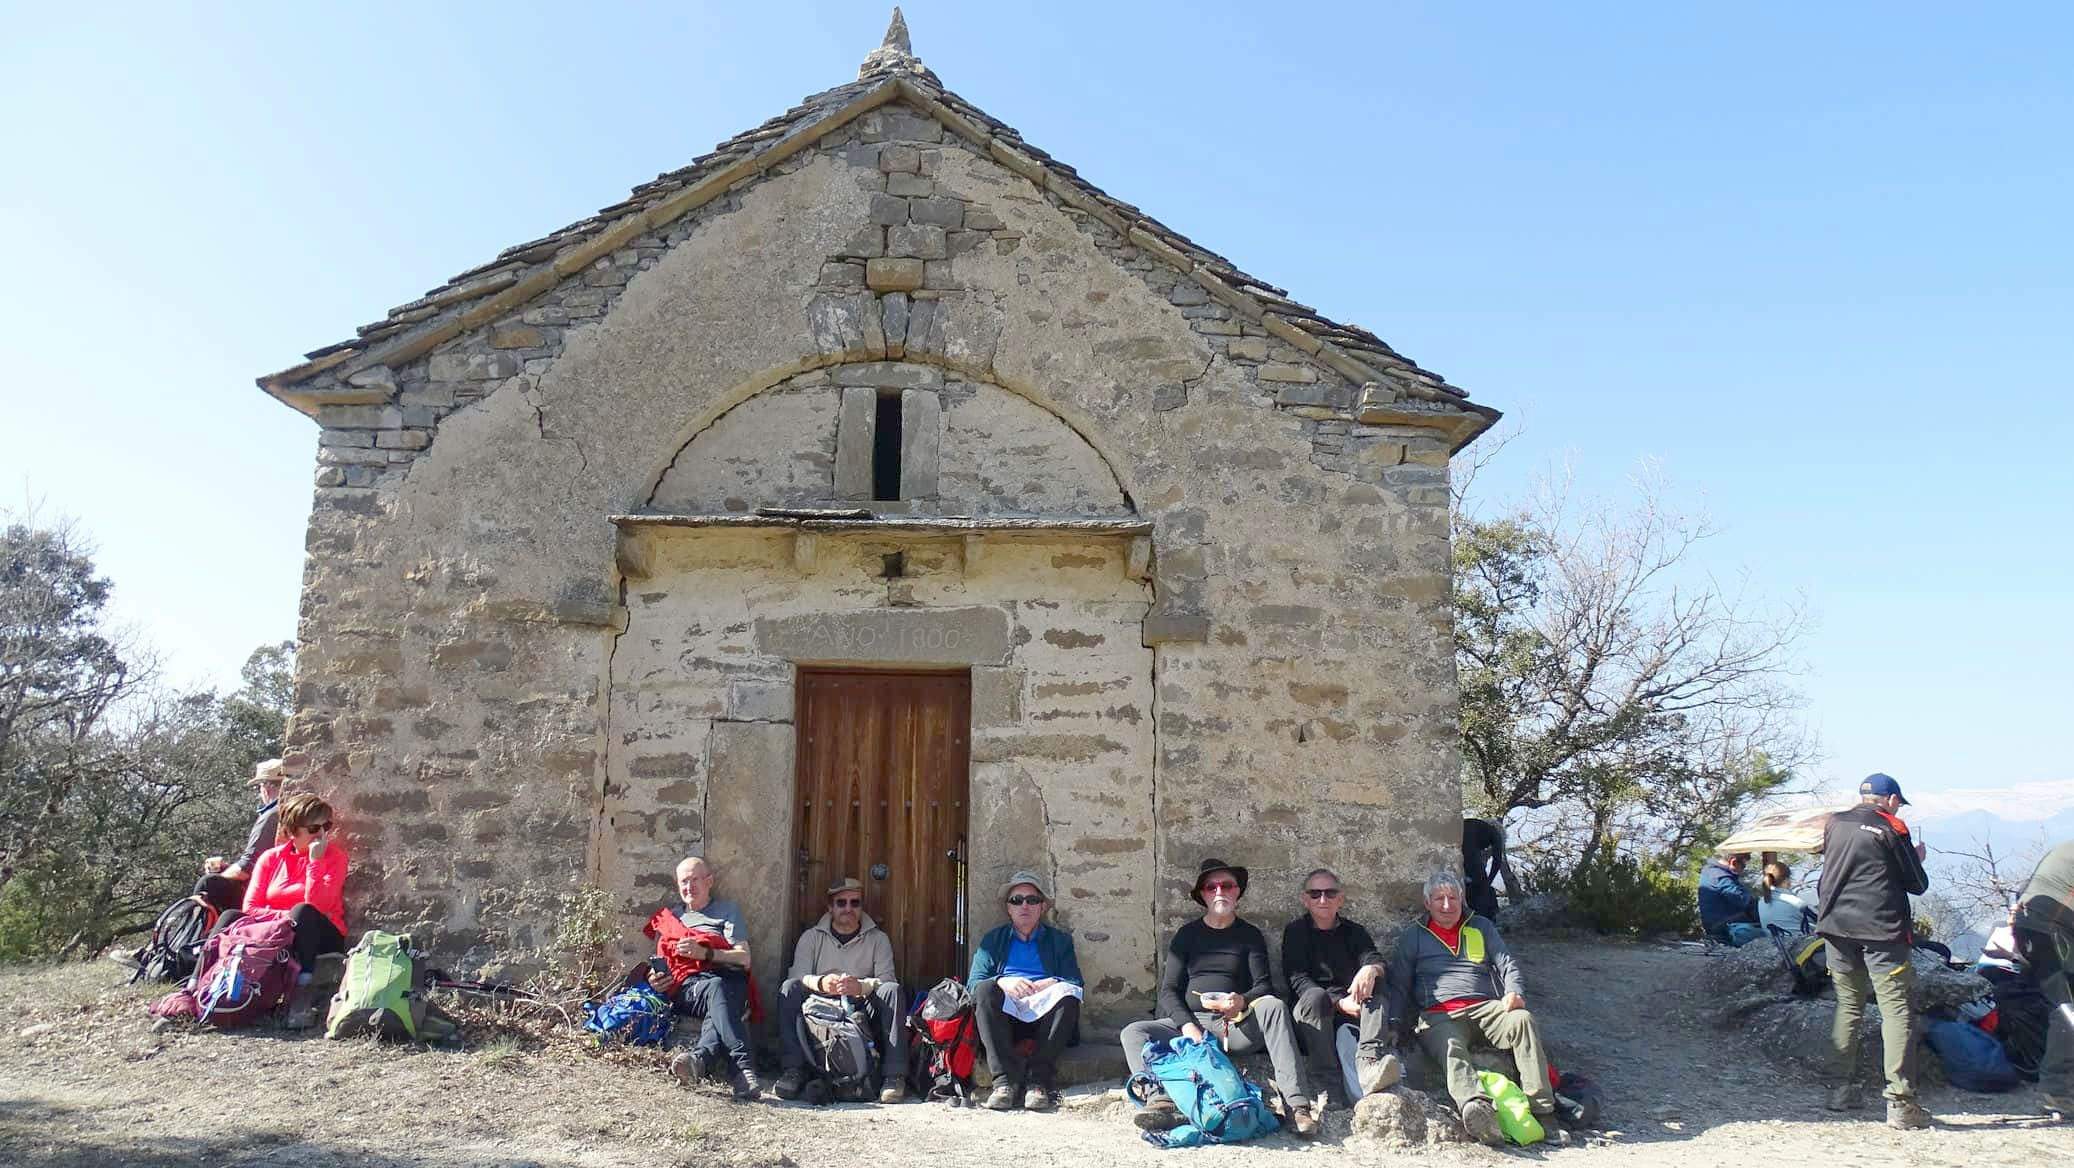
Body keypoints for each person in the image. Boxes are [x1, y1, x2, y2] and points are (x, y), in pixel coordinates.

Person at [1119, 859, 1317, 1138]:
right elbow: (1169, 991)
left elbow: (1264, 986)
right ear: (1203, 895)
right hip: (1192, 1025)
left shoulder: (1249, 935)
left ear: (1238, 892)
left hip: (1234, 1026)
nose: (1219, 891)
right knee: (1133, 1032)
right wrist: (1188, 1026)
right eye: (1211, 887)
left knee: (1273, 1006)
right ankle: (1160, 1100)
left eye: (1227, 886)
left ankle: (1296, 1105)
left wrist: (1241, 1001)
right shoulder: (1187, 936)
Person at [1384, 869, 1573, 1148]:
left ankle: (1543, 1113)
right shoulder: (1414, 936)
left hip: (1487, 1007)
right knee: (1451, 1046)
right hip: (1440, 1014)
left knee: (1522, 1019)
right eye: (1439, 899)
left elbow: (1507, 964)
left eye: (1453, 898)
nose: (1447, 905)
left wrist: (1514, 992)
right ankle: (1476, 1109)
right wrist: (1394, 1022)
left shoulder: (1481, 926)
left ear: (1462, 898)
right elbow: (1399, 983)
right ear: (1427, 903)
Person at [1816, 773, 1932, 1130]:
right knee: (1896, 1011)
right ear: (1892, 799)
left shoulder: (1835, 822)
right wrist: (1916, 857)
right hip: (1882, 931)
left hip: (1835, 926)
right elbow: (1917, 883)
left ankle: (1839, 1090)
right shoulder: (1892, 827)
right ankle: (1901, 1102)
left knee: (1848, 1006)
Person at [205, 792, 348, 1027]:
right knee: (231, 917)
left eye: (327, 826)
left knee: (303, 912)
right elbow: (250, 908)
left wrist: (315, 862)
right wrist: (285, 918)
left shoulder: (335, 858)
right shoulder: (271, 858)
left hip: (321, 934)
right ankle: (197, 983)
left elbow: (318, 906)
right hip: (276, 932)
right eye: (314, 828)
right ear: (292, 831)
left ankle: (301, 994)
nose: (321, 834)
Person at [773, 877, 906, 1104]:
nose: (848, 908)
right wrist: (821, 983)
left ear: (861, 907)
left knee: (892, 991)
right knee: (789, 988)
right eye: (841, 903)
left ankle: (894, 1076)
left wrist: (860, 986)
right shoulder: (811, 937)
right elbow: (797, 975)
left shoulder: (878, 939)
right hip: (819, 1005)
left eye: (855, 903)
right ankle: (793, 1070)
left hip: (861, 1006)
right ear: (830, 907)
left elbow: (887, 980)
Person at [1280, 867, 1400, 1106]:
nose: (1323, 899)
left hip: (1353, 1012)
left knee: (1376, 982)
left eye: (1330, 893)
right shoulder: (1296, 932)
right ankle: (1329, 1085)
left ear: (1340, 899)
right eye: (1315, 894)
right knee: (1315, 996)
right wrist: (1339, 1003)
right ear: (1305, 899)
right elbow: (1298, 980)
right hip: (1315, 1016)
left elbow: (1375, 959)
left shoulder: (1354, 932)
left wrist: (1371, 969)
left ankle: (1369, 1062)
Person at [969, 869, 1084, 1112]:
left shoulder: (1059, 941)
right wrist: (1003, 981)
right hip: (1006, 1015)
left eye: (1032, 900)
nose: (1024, 905)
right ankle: (1004, 1083)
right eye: (1017, 900)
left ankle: (1037, 1082)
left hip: (1045, 1014)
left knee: (1069, 994)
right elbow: (973, 983)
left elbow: (1075, 981)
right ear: (1008, 908)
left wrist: (1048, 984)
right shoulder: (993, 940)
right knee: (985, 990)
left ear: (1042, 907)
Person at [657, 857, 762, 1101]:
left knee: (721, 992)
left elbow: (744, 958)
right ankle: (743, 1069)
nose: (689, 887)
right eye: (684, 881)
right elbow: (662, 961)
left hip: (727, 979)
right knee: (719, 989)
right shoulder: (671, 918)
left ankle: (699, 1060)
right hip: (689, 986)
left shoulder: (727, 911)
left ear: (709, 881)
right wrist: (656, 978)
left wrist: (706, 953)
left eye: (695, 880)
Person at [2012, 839, 2074, 1121]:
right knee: (2067, 1008)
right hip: (2050, 929)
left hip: (2033, 926)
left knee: (2064, 1005)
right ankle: (2057, 1092)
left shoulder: (2066, 847)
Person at [195, 758, 287, 912]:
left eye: (259, 786)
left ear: (267, 787)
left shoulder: (272, 816)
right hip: (279, 883)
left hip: (264, 891)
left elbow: (246, 869)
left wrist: (220, 874)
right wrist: (228, 869)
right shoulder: (290, 811)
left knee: (209, 883)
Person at [1698, 852, 1762, 946]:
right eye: (1743, 866)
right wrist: (1763, 913)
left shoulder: (1712, 872)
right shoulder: (1721, 878)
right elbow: (1744, 901)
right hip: (1725, 929)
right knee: (1768, 936)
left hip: (1718, 925)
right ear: (1733, 862)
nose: (1743, 870)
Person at [1462, 819, 1516, 923]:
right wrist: (1488, 882)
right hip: (1468, 851)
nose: (1486, 847)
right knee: (1483, 887)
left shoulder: (1474, 825)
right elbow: (1497, 862)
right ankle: (1488, 920)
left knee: (1471, 884)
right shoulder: (1495, 833)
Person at [1756, 861, 1814, 935]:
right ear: (1786, 880)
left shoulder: (1761, 902)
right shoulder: (1796, 903)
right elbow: (1820, 920)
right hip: (1800, 941)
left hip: (1775, 941)